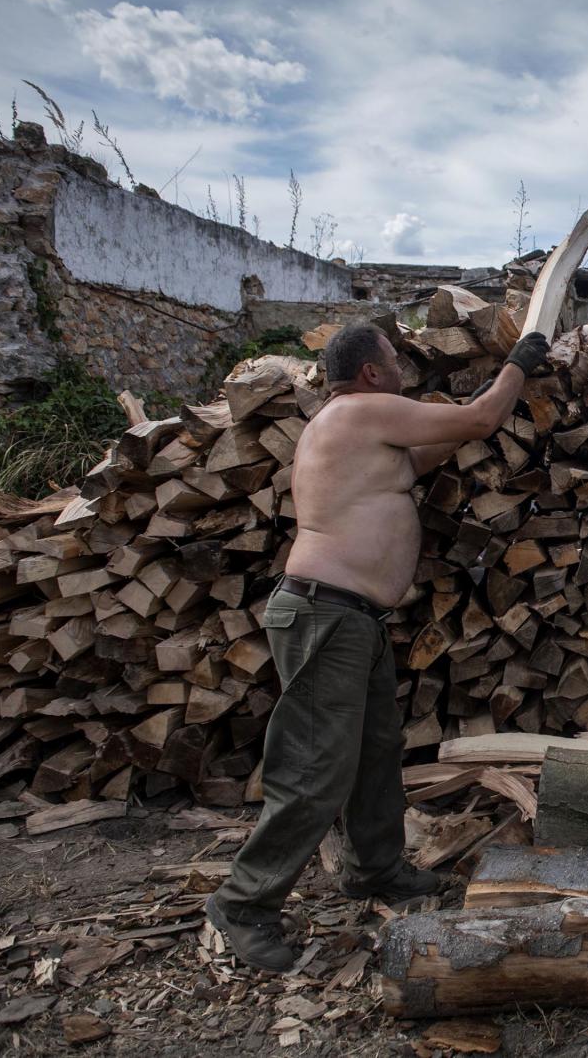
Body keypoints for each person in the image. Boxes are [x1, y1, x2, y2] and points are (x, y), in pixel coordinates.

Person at [206, 321, 549, 971]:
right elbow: (477, 420)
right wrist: (518, 364)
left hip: (347, 615)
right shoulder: (362, 411)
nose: (402, 373)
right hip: (324, 613)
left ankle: (375, 869)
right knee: (315, 770)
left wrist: (467, 413)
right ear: (369, 372)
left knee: (374, 753)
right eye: (394, 361)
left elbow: (430, 451)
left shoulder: (358, 428)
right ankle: (243, 902)